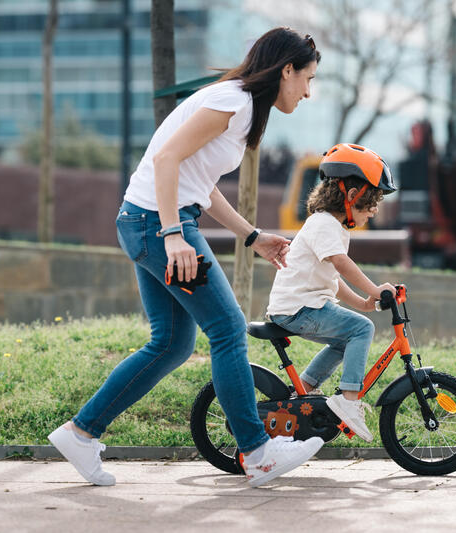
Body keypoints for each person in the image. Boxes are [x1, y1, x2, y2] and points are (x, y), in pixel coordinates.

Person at [48, 27, 324, 488]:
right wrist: (174, 235)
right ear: (286, 69)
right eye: (307, 79)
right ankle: (256, 452)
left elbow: (201, 181)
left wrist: (251, 235)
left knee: (172, 343)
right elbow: (167, 159)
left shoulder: (238, 105)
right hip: (158, 225)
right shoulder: (234, 102)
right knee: (228, 328)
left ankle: (81, 432)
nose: (308, 92)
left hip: (145, 221)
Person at [266, 143, 397, 442]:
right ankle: (348, 401)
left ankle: (303, 391)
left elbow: (333, 277)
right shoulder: (324, 224)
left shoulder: (332, 227)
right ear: (352, 197)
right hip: (299, 308)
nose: (375, 210)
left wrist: (364, 302)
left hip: (300, 306)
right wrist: (375, 289)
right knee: (361, 329)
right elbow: (341, 263)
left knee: (346, 339)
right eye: (373, 201)